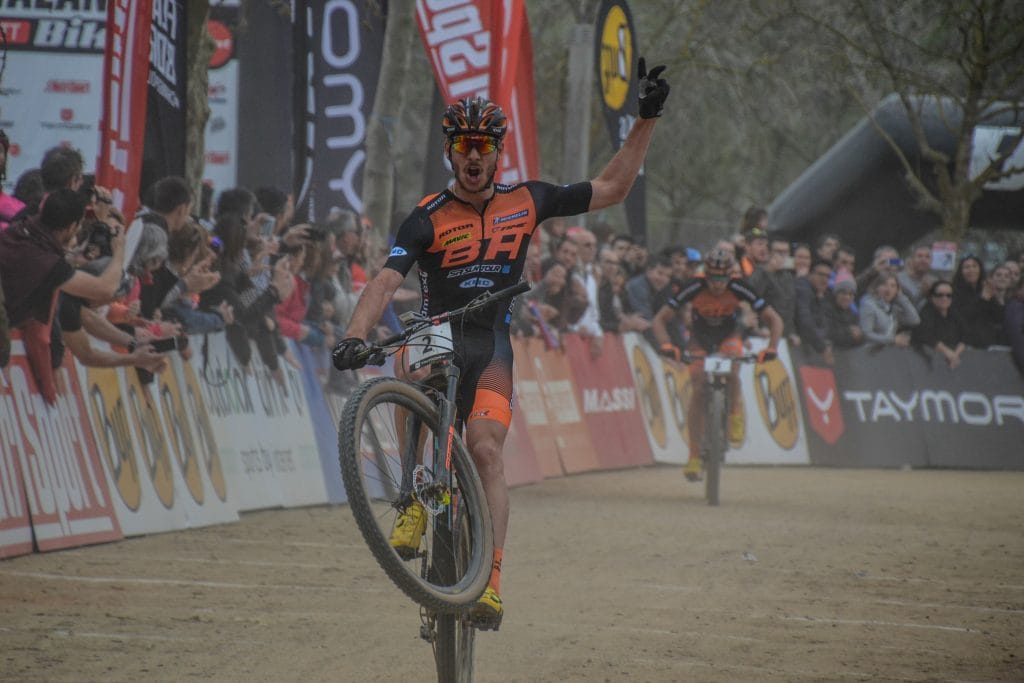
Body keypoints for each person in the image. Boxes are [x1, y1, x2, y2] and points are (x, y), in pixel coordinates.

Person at [331, 60, 670, 628]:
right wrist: (353, 336)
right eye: (462, 144)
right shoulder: (426, 217)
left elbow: (612, 189)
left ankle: (490, 582)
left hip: (491, 343)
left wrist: (647, 119)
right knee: (412, 375)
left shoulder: (530, 199)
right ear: (449, 150)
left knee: (487, 453)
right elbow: (386, 281)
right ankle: (413, 502)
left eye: (483, 145)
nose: (472, 155)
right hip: (439, 330)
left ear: (497, 151)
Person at [651, 248, 782, 481]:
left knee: (732, 372)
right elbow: (659, 320)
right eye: (712, 277)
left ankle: (735, 412)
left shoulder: (739, 286)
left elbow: (775, 320)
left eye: (722, 278)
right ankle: (693, 456)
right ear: (705, 274)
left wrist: (771, 348)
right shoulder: (693, 285)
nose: (717, 284)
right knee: (699, 389)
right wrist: (666, 345)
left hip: (729, 336)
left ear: (730, 275)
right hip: (699, 338)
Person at [0, 188, 126, 401]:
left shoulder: (22, 229)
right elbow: (106, 287)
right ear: (72, 226)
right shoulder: (47, 264)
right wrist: (119, 249)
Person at [912, 280, 968, 368]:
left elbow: (966, 336)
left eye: (949, 295)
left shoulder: (955, 313)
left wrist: (955, 354)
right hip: (927, 363)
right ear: (932, 296)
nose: (944, 298)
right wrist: (947, 352)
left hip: (953, 360)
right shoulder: (926, 313)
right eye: (940, 295)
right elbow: (926, 336)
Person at [858, 272, 920, 347]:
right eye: (884, 285)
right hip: (868, 352)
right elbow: (866, 334)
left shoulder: (893, 308)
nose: (888, 289)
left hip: (885, 352)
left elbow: (914, 320)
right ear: (876, 287)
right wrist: (893, 340)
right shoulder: (868, 305)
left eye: (893, 286)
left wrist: (901, 297)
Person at [795, 259, 836, 364]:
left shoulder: (820, 294)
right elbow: (805, 321)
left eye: (828, 276)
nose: (825, 280)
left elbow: (824, 322)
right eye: (821, 275)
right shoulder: (802, 289)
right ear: (810, 274)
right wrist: (822, 347)